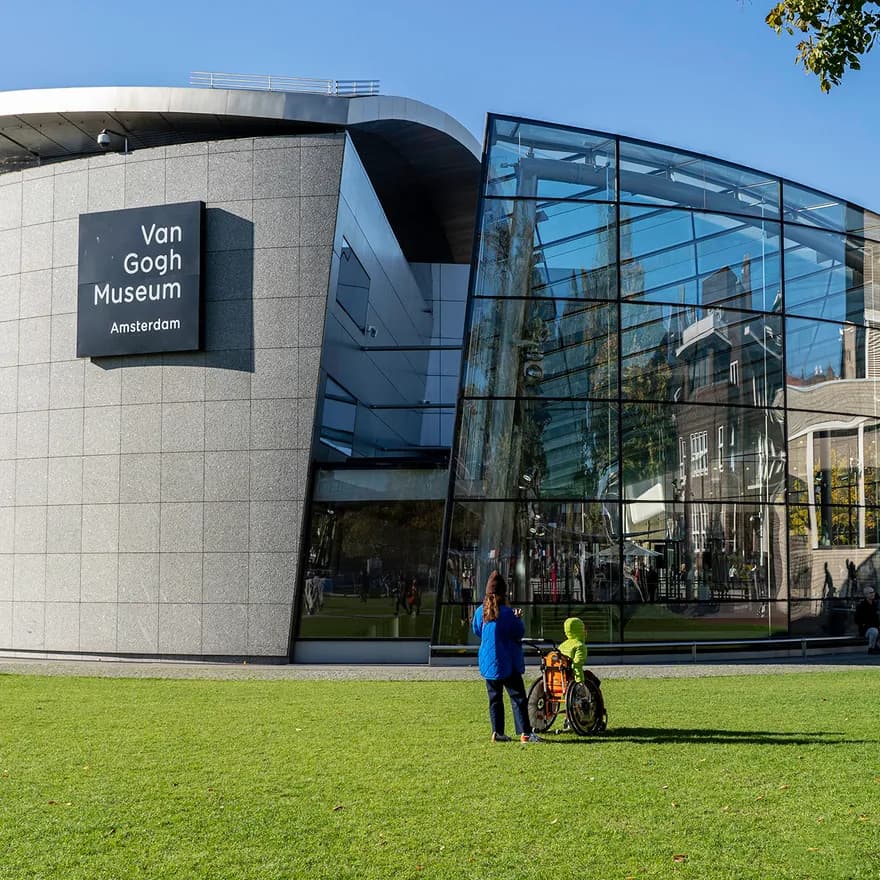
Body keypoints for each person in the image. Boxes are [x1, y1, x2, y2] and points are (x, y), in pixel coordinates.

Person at [471, 571, 541, 743]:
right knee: (518, 697)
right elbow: (518, 632)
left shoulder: (481, 611)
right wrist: (518, 619)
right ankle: (525, 732)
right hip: (506, 662)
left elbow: (476, 630)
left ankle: (497, 732)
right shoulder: (507, 613)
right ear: (504, 593)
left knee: (495, 699)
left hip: (488, 663)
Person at [558, 616, 588, 683]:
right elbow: (577, 665)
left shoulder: (562, 645)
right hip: (572, 676)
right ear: (580, 630)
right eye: (583, 628)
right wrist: (580, 682)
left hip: (560, 675)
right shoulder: (580, 646)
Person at [854, 586, 880, 654]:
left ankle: (877, 646)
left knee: (876, 630)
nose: (873, 594)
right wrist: (864, 623)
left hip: (875, 627)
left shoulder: (875, 604)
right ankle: (871, 648)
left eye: (873, 592)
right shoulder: (861, 606)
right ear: (866, 595)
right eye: (871, 593)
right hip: (865, 629)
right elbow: (856, 620)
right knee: (874, 631)